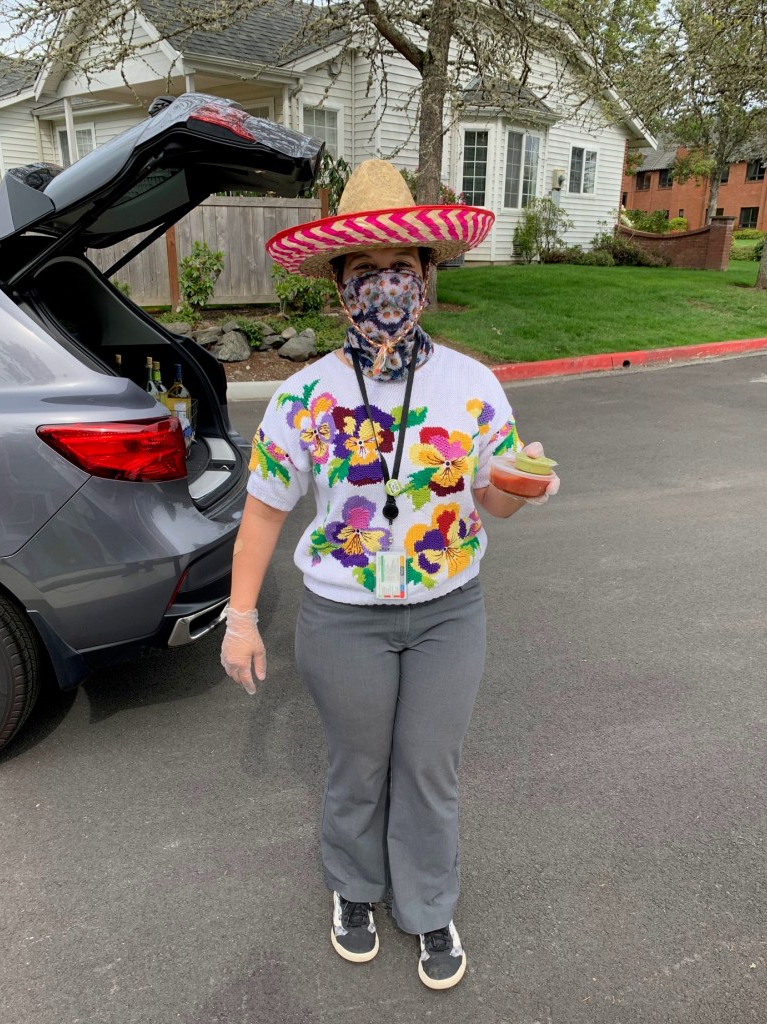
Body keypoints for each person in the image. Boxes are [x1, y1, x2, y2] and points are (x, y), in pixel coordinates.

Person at [220, 159, 560, 991]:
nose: (384, 290)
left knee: (428, 765)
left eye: (400, 270)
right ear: (339, 284)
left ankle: (429, 902)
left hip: (450, 611)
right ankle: (354, 889)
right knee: (358, 763)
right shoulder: (302, 397)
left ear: (427, 276)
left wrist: (517, 488)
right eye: (364, 273)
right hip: (342, 618)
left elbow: (493, 497)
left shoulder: (471, 386)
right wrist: (238, 617)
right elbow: (264, 509)